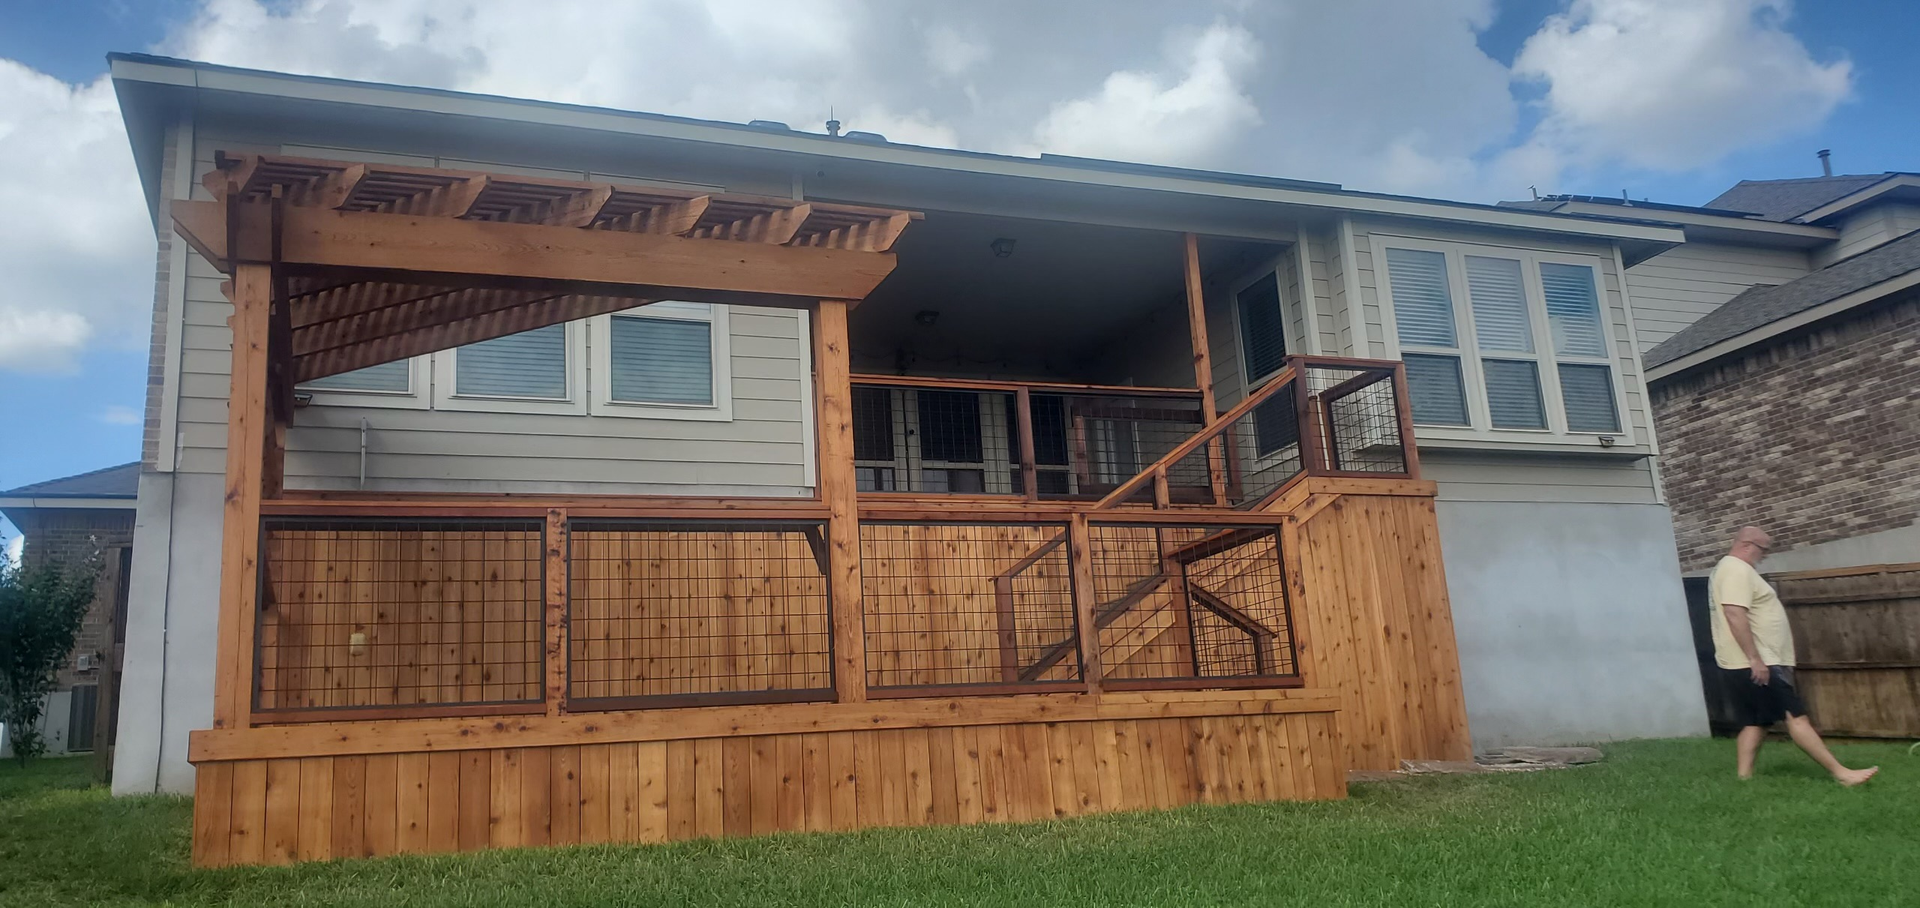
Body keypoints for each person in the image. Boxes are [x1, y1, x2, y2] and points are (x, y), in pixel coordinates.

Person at [1708, 526, 1877, 785]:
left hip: (1747, 661)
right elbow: (1734, 613)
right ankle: (1842, 774)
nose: (1764, 556)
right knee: (1795, 716)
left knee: (1757, 721)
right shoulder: (1736, 570)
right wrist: (1755, 659)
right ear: (1748, 545)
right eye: (1763, 550)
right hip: (1755, 662)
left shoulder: (1730, 569)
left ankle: (1743, 779)